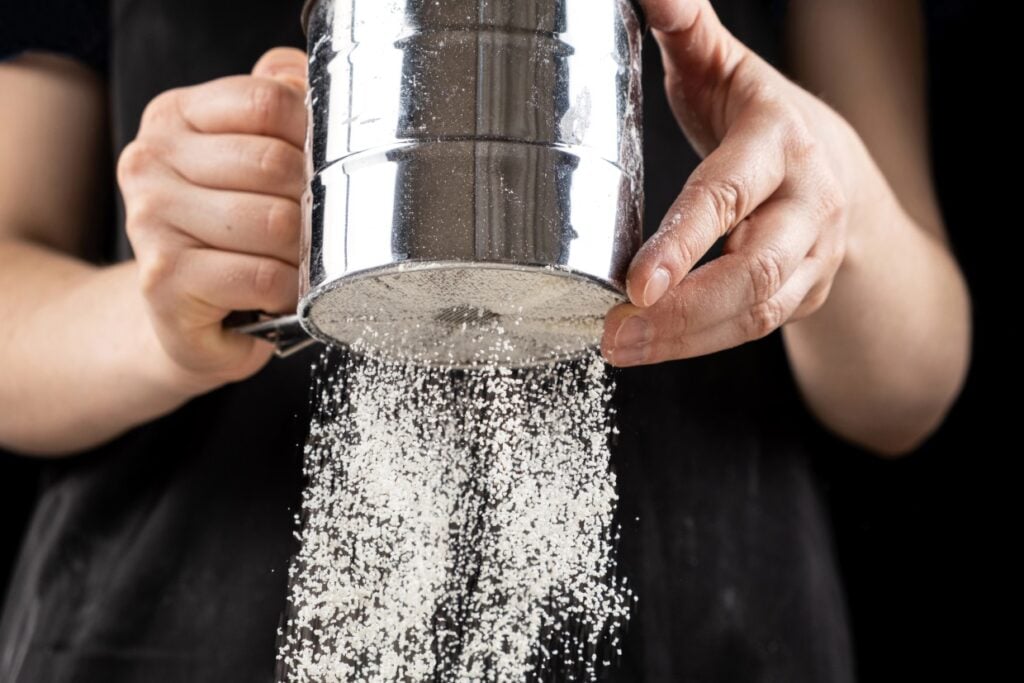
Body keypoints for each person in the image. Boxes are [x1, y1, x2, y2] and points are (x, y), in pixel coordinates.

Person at [0, 0, 970, 681]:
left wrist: (829, 183)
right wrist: (156, 321)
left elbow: (909, 385)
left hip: (703, 624)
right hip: (172, 629)